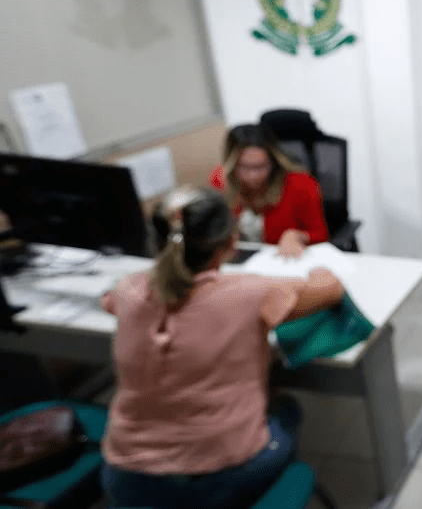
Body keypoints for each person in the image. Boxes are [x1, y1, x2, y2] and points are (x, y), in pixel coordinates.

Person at [99, 186, 345, 509]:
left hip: (127, 478)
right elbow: (330, 290)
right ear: (231, 243)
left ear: (156, 242)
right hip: (221, 477)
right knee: (287, 409)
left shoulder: (128, 289)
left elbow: (110, 303)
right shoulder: (249, 293)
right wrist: (319, 269)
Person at [210, 123, 328, 258]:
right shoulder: (221, 181)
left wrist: (299, 236)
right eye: (243, 167)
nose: (252, 176)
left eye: (260, 167)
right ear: (231, 164)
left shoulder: (301, 184)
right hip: (240, 262)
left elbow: (321, 235)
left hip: (280, 260)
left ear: (273, 162)